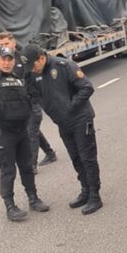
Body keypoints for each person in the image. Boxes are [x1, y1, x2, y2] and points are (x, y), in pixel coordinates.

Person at [0, 46, 50, 220]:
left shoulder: (17, 78)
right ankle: (10, 207)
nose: (6, 63)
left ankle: (33, 198)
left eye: (10, 59)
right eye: (3, 59)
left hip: (22, 130)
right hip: (3, 133)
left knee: (27, 167)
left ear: (14, 61)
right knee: (8, 170)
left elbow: (29, 97)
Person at [23, 45, 102, 214]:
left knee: (87, 157)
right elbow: (35, 95)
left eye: (33, 65)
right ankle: (85, 190)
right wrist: (53, 112)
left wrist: (69, 108)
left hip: (80, 118)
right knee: (75, 157)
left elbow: (87, 87)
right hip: (63, 123)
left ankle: (95, 195)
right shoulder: (34, 74)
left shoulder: (64, 66)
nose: (33, 70)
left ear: (41, 58)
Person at [0, 31, 58, 171]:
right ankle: (50, 153)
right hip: (17, 103)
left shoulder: (23, 58)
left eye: (6, 43)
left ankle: (32, 165)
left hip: (31, 100)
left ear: (13, 43)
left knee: (31, 132)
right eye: (1, 45)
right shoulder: (3, 61)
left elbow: (35, 77)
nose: (4, 46)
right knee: (32, 130)